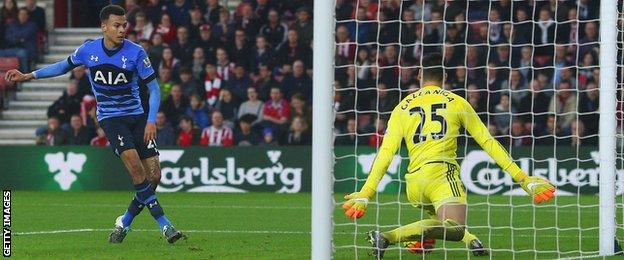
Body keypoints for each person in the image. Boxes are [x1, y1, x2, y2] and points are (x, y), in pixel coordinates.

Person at [341, 53, 555, 258]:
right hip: (441, 175)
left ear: (419, 76)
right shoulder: (457, 102)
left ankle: (471, 240)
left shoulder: (401, 108)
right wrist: (522, 178)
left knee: (439, 221)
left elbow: (386, 153)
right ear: (444, 76)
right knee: (455, 227)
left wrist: (366, 192)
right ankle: (387, 237)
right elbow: (488, 142)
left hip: (414, 184)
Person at [6, 5, 184, 244]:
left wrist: (151, 120)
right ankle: (165, 225)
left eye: (124, 25)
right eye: (117, 25)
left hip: (138, 117)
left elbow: (153, 89)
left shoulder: (136, 52)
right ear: (104, 27)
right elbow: (62, 65)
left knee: (154, 176)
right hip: (111, 118)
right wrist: (30, 75)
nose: (122, 30)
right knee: (136, 169)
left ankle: (124, 222)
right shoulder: (88, 50)